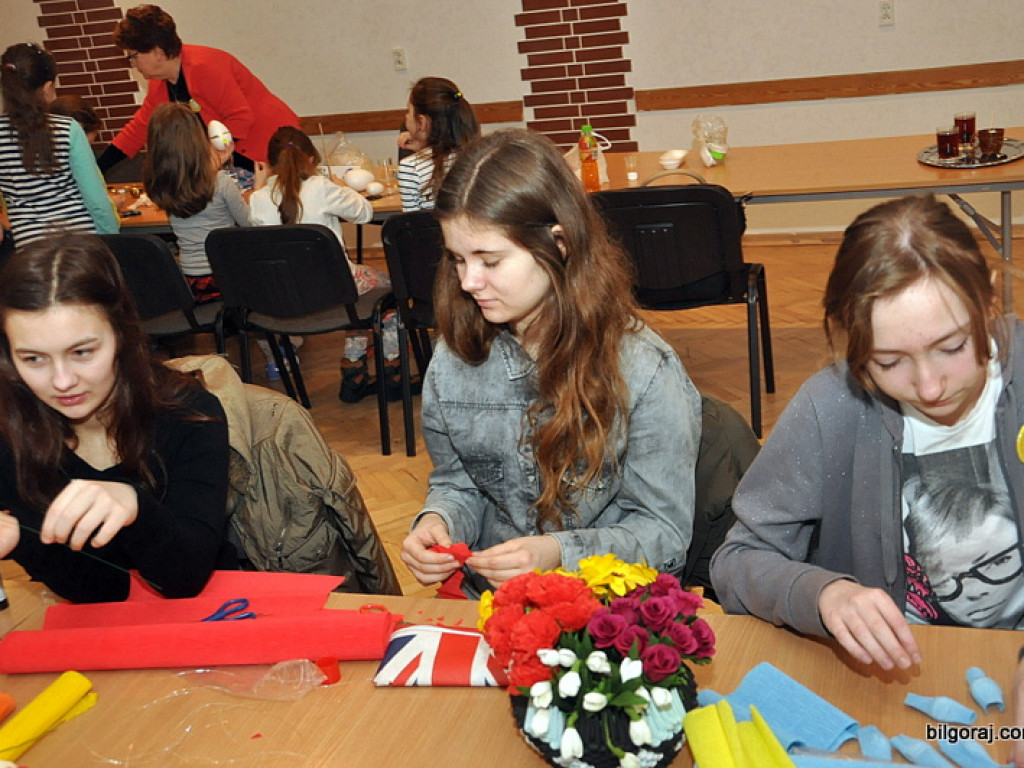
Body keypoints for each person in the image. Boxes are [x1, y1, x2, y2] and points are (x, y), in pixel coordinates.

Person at [710, 193, 1024, 667]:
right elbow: (736, 561)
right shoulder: (831, 407)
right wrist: (824, 594)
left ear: (990, 299)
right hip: (895, 668)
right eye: (889, 362)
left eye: (952, 347)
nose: (929, 387)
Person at [400, 129, 701, 598]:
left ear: (559, 244)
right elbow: (460, 482)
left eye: (490, 261)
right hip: (494, 600)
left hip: (605, 609)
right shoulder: (453, 359)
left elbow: (664, 535)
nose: (468, 281)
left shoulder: (643, 369)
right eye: (457, 259)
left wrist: (559, 553)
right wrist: (438, 520)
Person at [0, 233, 236, 603]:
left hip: (212, 608)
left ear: (121, 335)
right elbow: (98, 591)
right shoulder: (11, 431)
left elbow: (186, 578)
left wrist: (135, 507)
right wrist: (20, 539)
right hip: (106, 619)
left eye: (82, 352)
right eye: (33, 359)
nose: (62, 381)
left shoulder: (189, 413)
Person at [249, 126, 394, 399]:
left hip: (285, 298)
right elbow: (364, 213)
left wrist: (259, 188)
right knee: (389, 289)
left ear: (270, 164)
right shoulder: (322, 187)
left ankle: (349, 365)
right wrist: (342, 187)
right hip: (334, 291)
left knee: (360, 290)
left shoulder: (257, 199)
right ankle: (361, 363)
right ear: (312, 159)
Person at [97, 4, 299, 175]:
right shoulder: (160, 83)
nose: (133, 64)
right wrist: (97, 169)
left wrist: (207, 161)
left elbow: (240, 118)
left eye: (133, 56)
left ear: (157, 52)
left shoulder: (205, 67)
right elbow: (139, 130)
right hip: (235, 157)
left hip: (273, 149)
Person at [0, 43, 118, 247]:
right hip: (81, 245)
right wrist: (112, 239)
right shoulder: (67, 129)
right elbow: (96, 201)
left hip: (30, 247)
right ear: (47, 88)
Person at [143, 101, 250, 304]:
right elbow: (249, 224)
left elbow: (189, 182)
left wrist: (214, 167)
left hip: (190, 281)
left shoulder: (159, 184)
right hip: (226, 278)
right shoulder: (220, 182)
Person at [396, 77, 480, 212]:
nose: (406, 116)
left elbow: (412, 221)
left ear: (422, 122)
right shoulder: (478, 155)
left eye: (409, 111)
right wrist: (423, 149)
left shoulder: (410, 168)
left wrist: (421, 154)